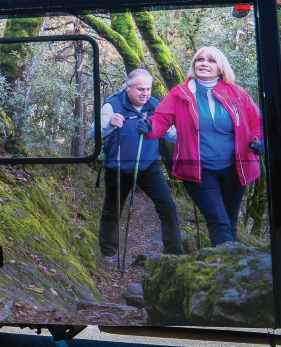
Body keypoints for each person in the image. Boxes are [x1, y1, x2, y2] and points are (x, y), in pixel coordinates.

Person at [135, 46, 266, 247]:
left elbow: (257, 122)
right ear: (194, 65)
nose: (204, 63)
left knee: (230, 223)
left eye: (211, 61)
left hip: (237, 169)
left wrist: (259, 142)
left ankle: (225, 270)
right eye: (200, 60)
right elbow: (161, 119)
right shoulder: (180, 93)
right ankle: (225, 274)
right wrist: (149, 126)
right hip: (199, 170)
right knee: (219, 221)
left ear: (221, 68)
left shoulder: (237, 93)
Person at [98, 69, 184, 257]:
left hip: (148, 165)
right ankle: (107, 251)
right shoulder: (112, 104)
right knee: (112, 209)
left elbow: (171, 133)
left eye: (148, 89)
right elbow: (94, 131)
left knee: (168, 206)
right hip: (118, 165)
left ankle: (174, 254)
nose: (145, 93)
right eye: (140, 89)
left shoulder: (154, 105)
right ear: (128, 87)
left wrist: (190, 134)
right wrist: (109, 123)